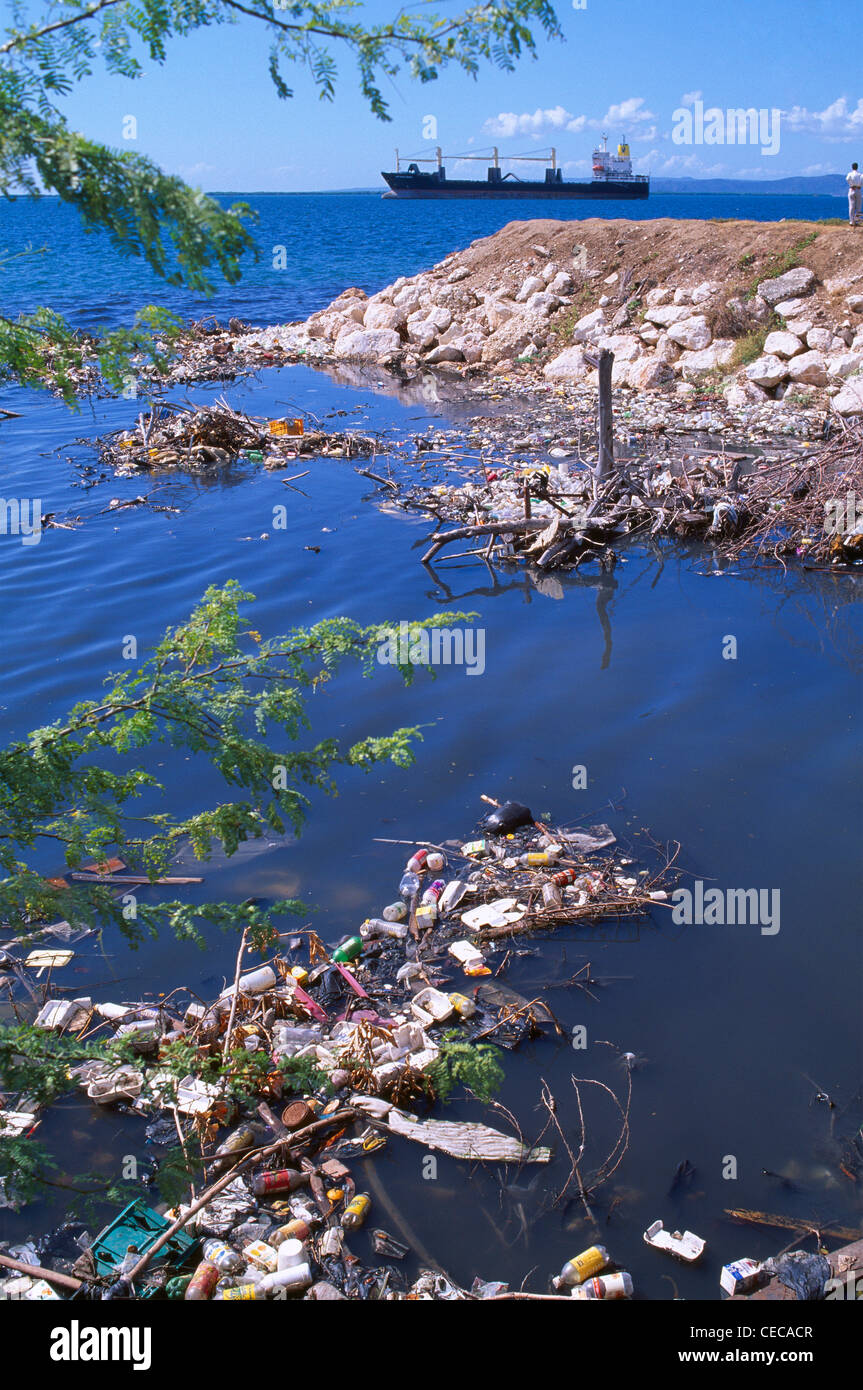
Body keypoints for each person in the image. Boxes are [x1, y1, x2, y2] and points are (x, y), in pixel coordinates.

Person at [848, 162, 863, 226]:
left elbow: (847, 179)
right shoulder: (860, 175)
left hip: (851, 189)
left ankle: (851, 221)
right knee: (858, 206)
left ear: (852, 167)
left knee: (851, 206)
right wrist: (860, 185)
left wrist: (851, 184)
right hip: (858, 190)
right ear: (857, 167)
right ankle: (856, 221)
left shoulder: (850, 174)